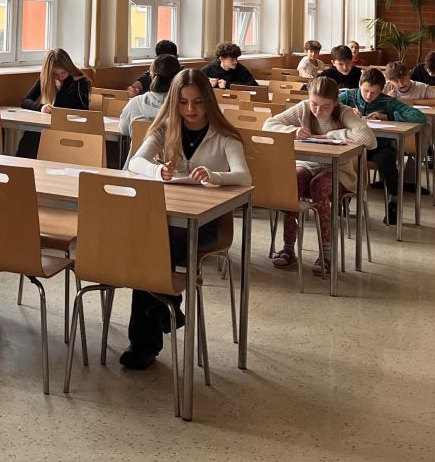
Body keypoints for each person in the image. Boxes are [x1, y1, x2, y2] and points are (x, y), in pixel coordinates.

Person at [122, 69, 249, 370]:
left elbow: (244, 176)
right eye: (182, 102)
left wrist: (214, 176)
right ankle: (162, 310)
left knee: (153, 249)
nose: (190, 109)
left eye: (198, 102)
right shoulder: (165, 128)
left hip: (208, 223)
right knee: (151, 245)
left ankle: (149, 331)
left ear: (209, 102)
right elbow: (136, 162)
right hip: (167, 218)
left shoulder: (225, 136)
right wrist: (157, 171)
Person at [263, 77, 375, 277]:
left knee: (319, 185)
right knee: (293, 182)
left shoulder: (344, 112)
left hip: (338, 172)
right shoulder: (304, 107)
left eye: (325, 107)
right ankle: (288, 247)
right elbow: (268, 125)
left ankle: (326, 253)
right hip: (308, 165)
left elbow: (369, 139)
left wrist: (331, 135)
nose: (317, 110)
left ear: (335, 103)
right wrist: (294, 131)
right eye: (314, 104)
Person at [338, 68, 429, 226]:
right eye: (365, 91)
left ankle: (394, 200)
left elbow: (419, 117)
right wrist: (345, 112)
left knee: (386, 160)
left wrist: (389, 116)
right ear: (359, 85)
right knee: (344, 161)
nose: (368, 96)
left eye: (374, 92)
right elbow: (328, 108)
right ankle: (343, 199)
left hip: (379, 146)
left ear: (381, 90)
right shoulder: (348, 96)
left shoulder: (388, 102)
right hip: (351, 144)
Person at [19, 48, 91, 156]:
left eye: (63, 72)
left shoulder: (80, 82)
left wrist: (68, 82)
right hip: (49, 126)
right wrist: (41, 107)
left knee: (37, 137)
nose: (60, 77)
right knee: (31, 135)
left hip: (69, 130)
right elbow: (25, 101)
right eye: (55, 74)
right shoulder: (46, 79)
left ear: (69, 69)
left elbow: (79, 110)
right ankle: (24, 164)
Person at [118, 54, 182, 157]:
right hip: (172, 164)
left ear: (151, 75)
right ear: (178, 77)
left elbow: (123, 129)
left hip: (137, 163)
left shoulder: (135, 103)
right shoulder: (184, 106)